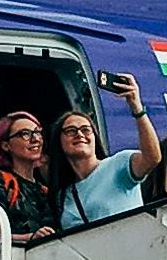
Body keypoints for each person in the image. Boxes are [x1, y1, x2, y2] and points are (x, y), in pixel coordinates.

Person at [49, 75, 158, 230]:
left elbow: (152, 158)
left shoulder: (119, 164)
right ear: (59, 141)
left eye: (86, 130)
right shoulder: (63, 195)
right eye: (71, 131)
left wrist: (137, 109)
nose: (79, 134)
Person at [0, 109, 62, 241]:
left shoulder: (44, 191)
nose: (36, 139)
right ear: (6, 145)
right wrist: (32, 237)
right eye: (25, 134)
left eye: (38, 132)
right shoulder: (0, 180)